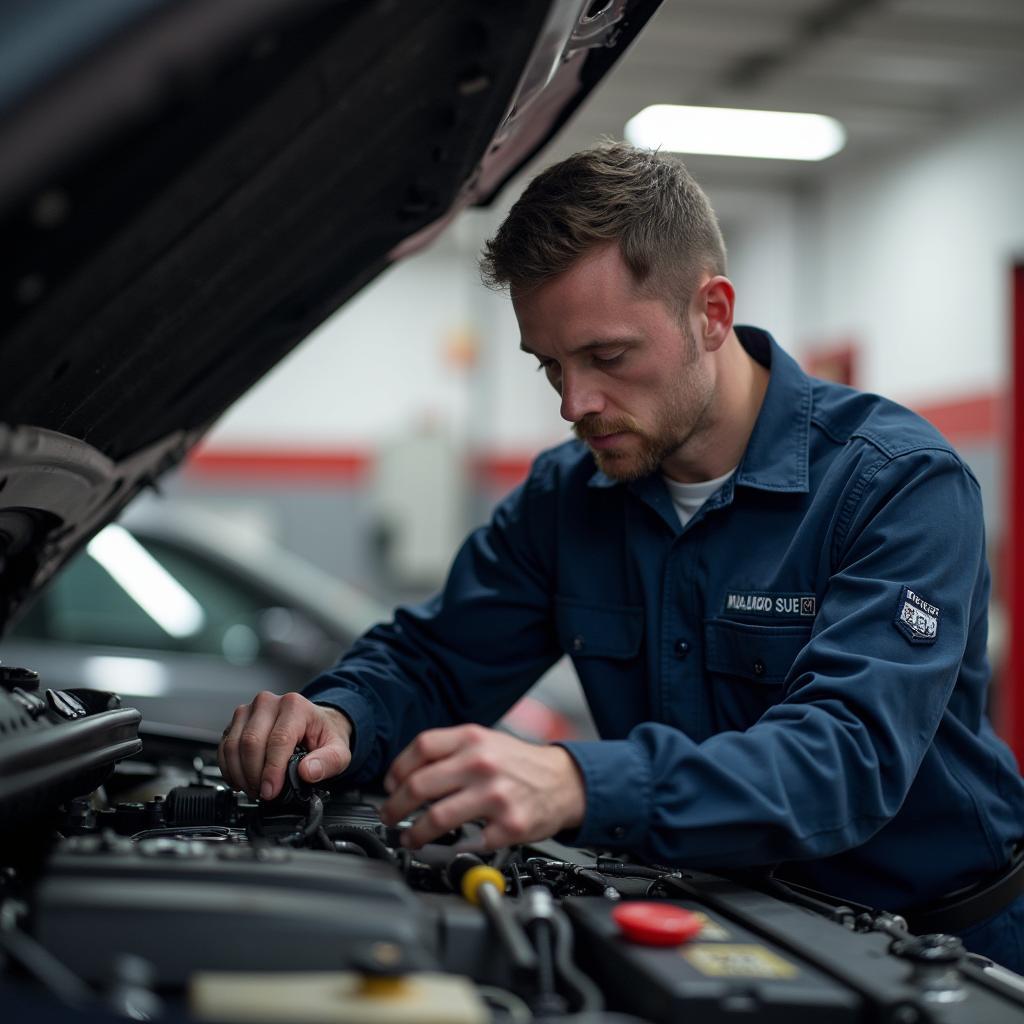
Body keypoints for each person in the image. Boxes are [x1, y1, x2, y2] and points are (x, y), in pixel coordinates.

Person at [219, 143, 1024, 968]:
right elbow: (437, 660)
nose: (575, 404)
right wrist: (341, 716)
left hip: (937, 947)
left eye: (607, 358)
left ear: (710, 313)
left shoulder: (898, 484)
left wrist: (576, 782)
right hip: (714, 930)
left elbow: (844, 758)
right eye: (550, 367)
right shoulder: (567, 498)